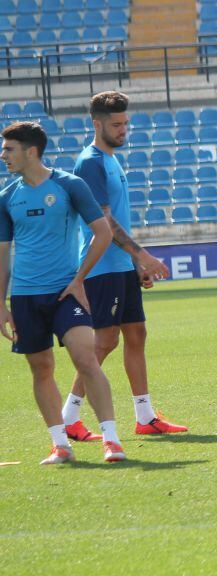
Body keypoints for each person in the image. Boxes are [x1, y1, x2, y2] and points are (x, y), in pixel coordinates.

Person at [61, 91, 183, 442]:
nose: (123, 129)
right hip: (102, 266)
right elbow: (104, 221)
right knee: (104, 341)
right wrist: (142, 255)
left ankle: (145, 416)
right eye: (116, 124)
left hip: (120, 266)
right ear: (96, 123)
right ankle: (69, 415)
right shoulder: (91, 162)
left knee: (135, 334)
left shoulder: (111, 159)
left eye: (125, 123)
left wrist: (135, 264)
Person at [0, 121, 125, 464]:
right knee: (41, 369)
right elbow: (2, 255)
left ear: (31, 151)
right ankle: (60, 444)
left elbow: (102, 232)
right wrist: (1, 303)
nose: (3, 155)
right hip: (25, 297)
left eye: (9, 149)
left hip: (64, 292)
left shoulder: (70, 185)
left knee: (86, 359)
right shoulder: (8, 197)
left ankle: (111, 439)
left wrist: (80, 278)